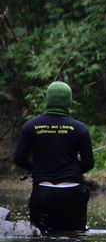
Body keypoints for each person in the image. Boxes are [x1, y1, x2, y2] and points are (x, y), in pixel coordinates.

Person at [13, 81, 94, 233]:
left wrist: (36, 169)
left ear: (47, 100)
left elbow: (19, 159)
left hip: (43, 193)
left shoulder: (30, 126)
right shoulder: (80, 128)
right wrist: (74, 171)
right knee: (74, 238)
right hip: (73, 193)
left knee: (42, 239)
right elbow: (89, 163)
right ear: (69, 101)